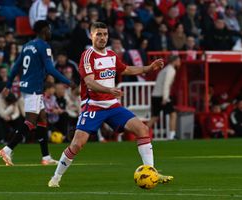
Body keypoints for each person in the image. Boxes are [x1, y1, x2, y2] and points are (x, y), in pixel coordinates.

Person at [48, 22, 173, 187]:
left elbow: (126, 69)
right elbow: (89, 83)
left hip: (112, 105)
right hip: (93, 105)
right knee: (77, 144)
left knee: (142, 129)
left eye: (105, 34)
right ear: (91, 36)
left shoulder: (111, 55)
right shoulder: (87, 55)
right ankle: (55, 178)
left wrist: (148, 68)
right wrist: (108, 90)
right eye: (98, 34)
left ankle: (151, 172)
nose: (102, 38)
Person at [0, 20, 71, 166]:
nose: (50, 32)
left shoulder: (27, 45)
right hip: (34, 88)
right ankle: (7, 149)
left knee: (42, 118)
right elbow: (50, 69)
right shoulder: (44, 46)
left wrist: (8, 84)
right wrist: (68, 81)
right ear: (44, 30)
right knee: (31, 122)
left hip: (25, 86)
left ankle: (46, 157)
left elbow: (15, 67)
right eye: (49, 29)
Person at [147, 55, 181, 140]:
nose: (179, 62)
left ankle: (141, 133)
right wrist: (165, 98)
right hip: (161, 96)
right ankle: (172, 136)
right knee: (173, 114)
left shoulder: (166, 69)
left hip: (156, 95)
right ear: (175, 61)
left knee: (154, 117)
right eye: (178, 60)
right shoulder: (171, 70)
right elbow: (166, 84)